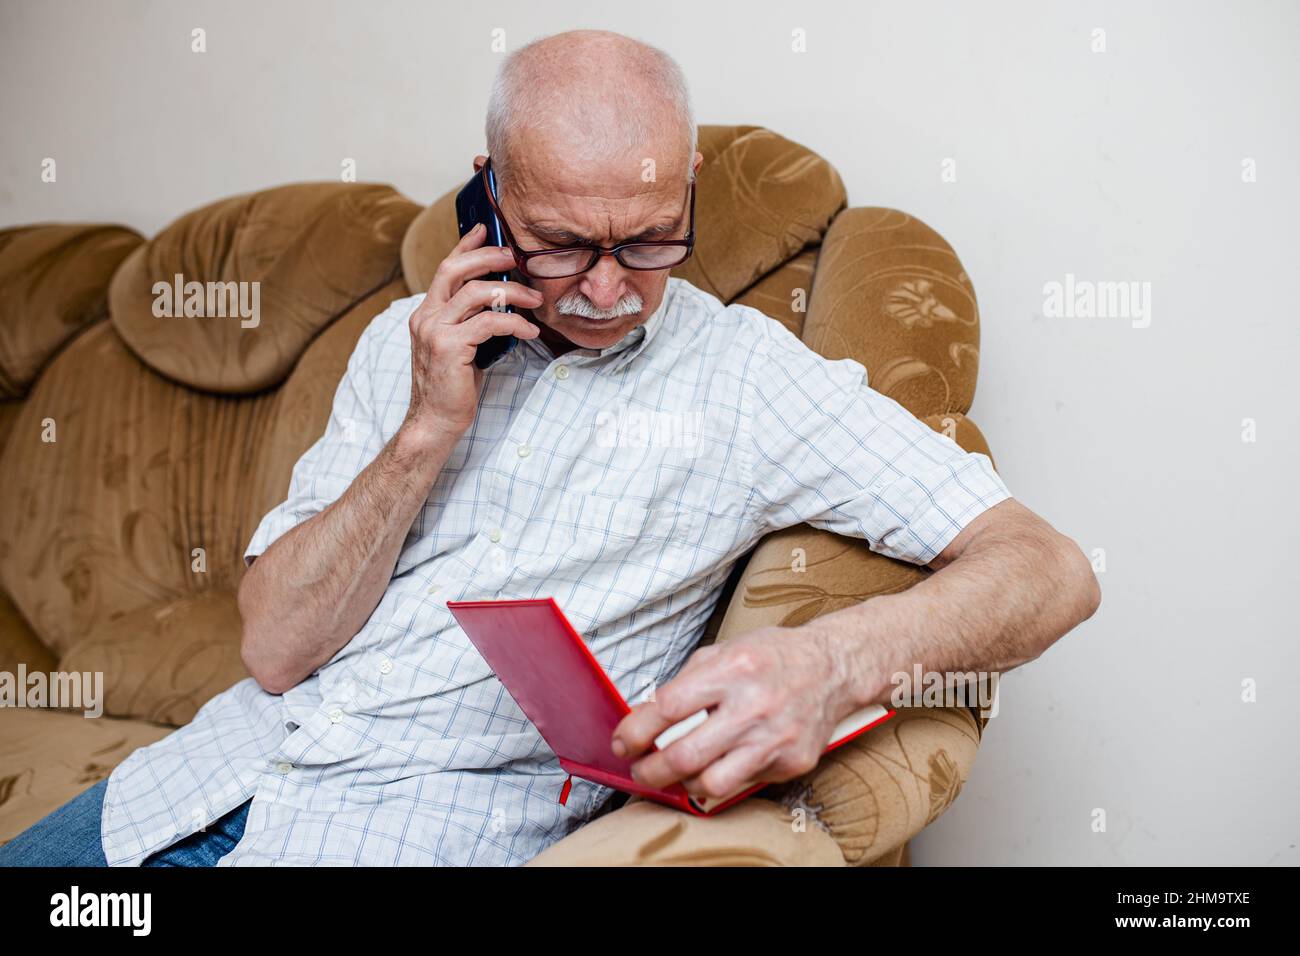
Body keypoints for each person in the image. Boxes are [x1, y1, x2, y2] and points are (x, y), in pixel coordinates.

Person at [0, 29, 1098, 868]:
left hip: (399, 833)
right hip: (182, 786)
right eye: (564, 245)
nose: (611, 288)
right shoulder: (404, 340)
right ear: (489, 191)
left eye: (653, 236)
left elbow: (1050, 568)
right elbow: (275, 649)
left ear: (689, 191)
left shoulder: (750, 378)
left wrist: (829, 663)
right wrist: (426, 428)